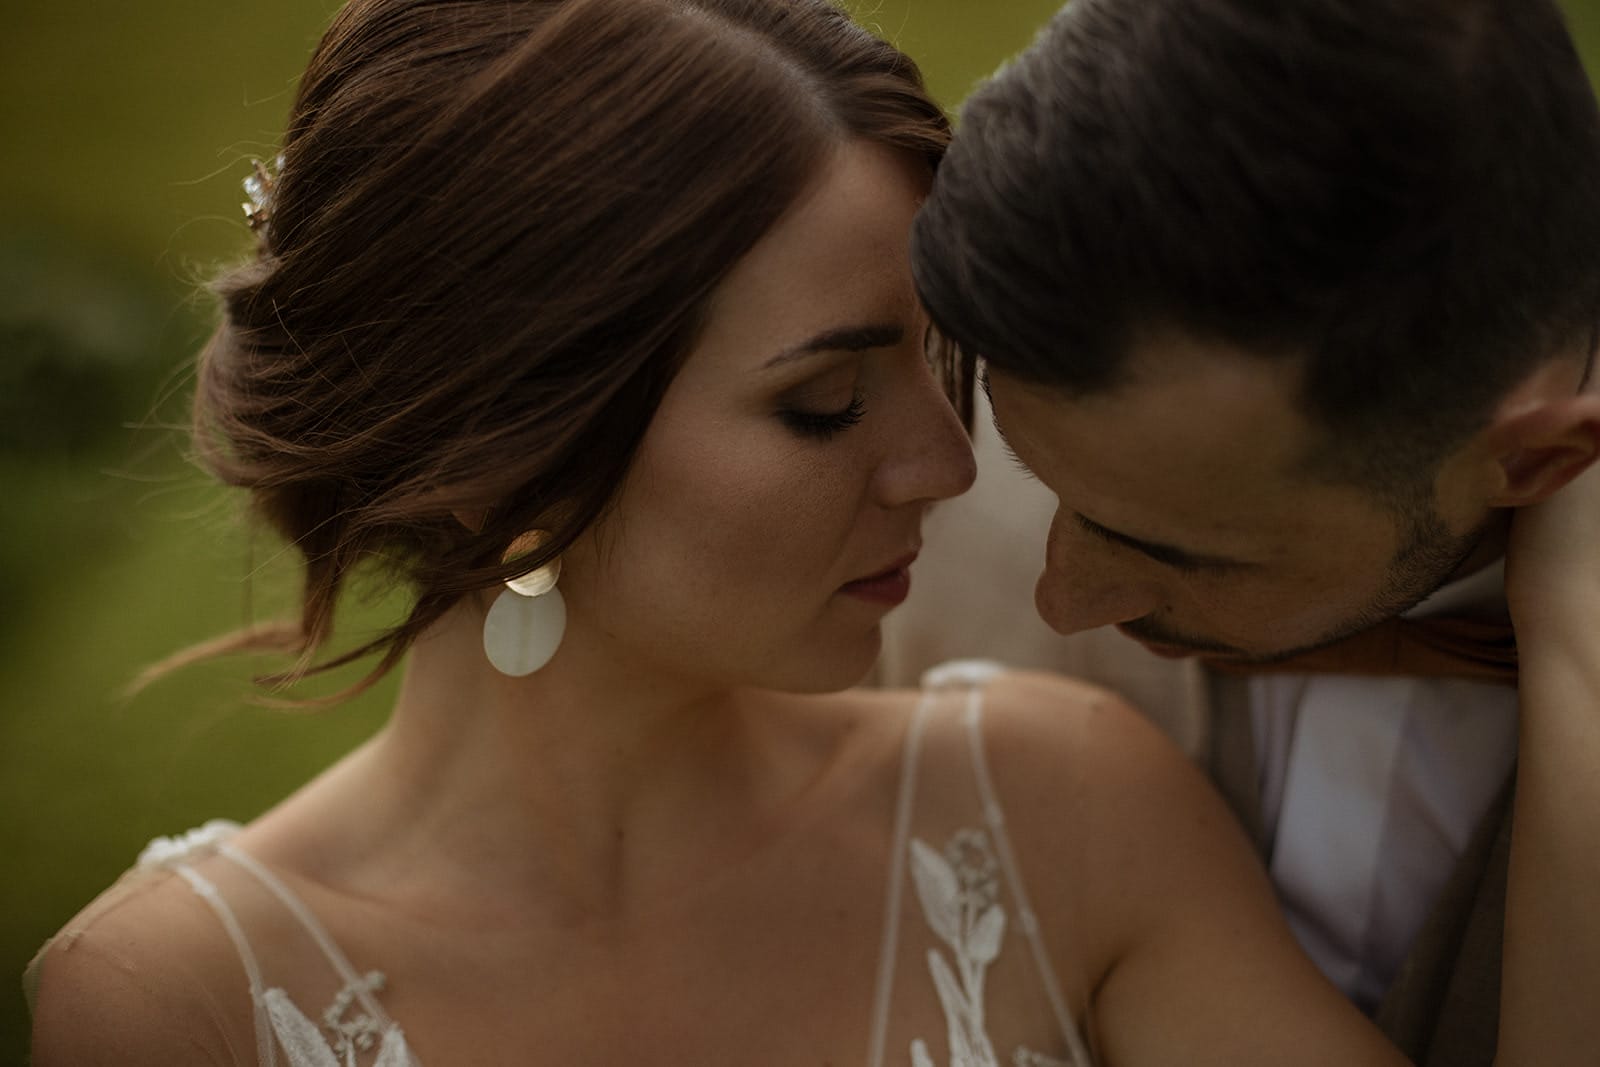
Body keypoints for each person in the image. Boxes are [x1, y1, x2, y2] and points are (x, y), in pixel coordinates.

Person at [18, 1, 1585, 1065]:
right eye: (826, 404)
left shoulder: (1064, 807)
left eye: (935, 361)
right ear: (504, 452)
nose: (949, 469)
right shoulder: (172, 1003)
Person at [890, 0, 1600, 1063]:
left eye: (1172, 549)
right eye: (1045, 479)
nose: (1061, 597)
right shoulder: (921, 538)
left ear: (1537, 461)